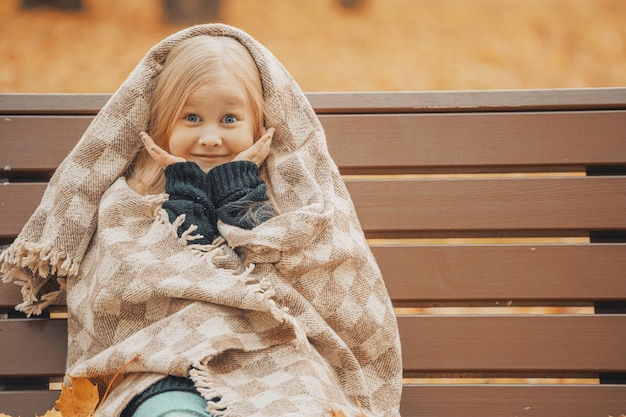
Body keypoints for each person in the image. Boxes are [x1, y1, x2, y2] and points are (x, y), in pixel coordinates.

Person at [0, 24, 402, 417]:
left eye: (229, 120)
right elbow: (117, 292)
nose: (210, 137)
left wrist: (239, 192)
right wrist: (185, 191)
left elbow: (287, 280)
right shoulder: (130, 199)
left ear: (260, 128)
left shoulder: (290, 204)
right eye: (191, 118)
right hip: (161, 369)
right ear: (161, 123)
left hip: (279, 364)